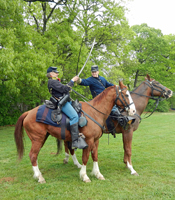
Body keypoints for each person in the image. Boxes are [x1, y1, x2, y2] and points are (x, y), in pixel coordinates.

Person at [47, 66, 88, 149]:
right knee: (74, 116)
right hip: (62, 103)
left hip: (67, 100)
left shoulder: (56, 81)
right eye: (55, 72)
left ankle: (78, 132)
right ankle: (75, 141)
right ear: (51, 73)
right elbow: (64, 89)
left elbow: (65, 89)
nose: (57, 73)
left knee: (79, 111)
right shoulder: (52, 82)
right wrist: (72, 80)